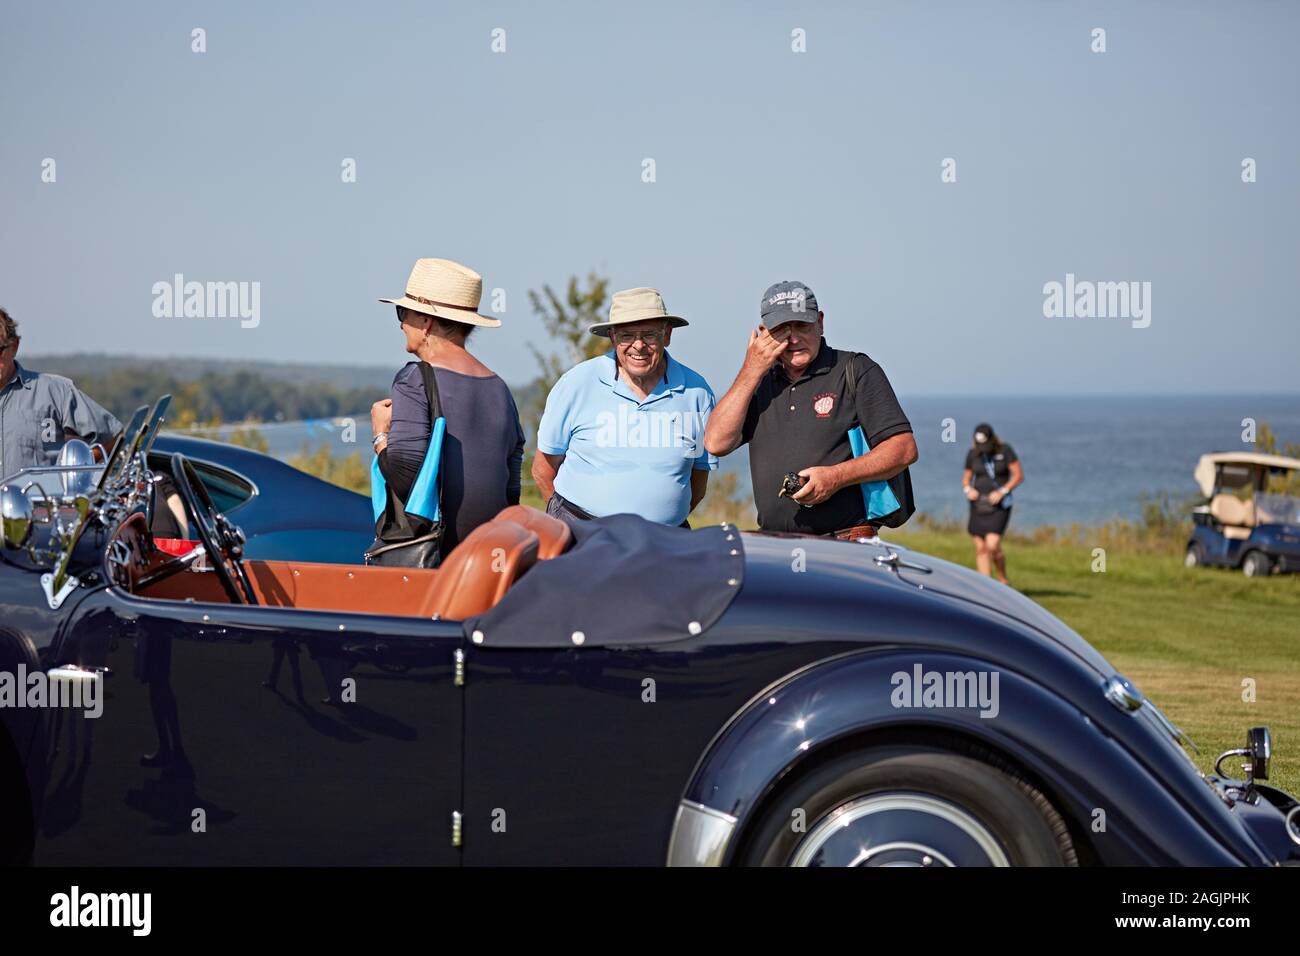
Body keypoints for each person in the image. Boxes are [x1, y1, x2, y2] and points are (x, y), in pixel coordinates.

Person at [704, 280, 917, 538]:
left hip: (845, 542)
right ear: (764, 333)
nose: (793, 338)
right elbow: (716, 442)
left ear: (820, 322)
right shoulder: (757, 383)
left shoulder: (856, 370)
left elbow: (903, 449)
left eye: (802, 325)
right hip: (775, 543)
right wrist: (751, 370)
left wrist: (836, 477)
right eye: (782, 329)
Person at [370, 258, 525, 560]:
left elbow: (405, 475)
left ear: (426, 321)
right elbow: (511, 490)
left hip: (437, 559)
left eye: (403, 313)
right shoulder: (499, 388)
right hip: (487, 558)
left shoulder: (414, 379)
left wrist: (380, 435)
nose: (401, 323)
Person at [532, 287, 717, 528]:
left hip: (665, 540)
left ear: (667, 335)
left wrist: (663, 517)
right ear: (612, 337)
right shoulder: (576, 383)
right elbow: (542, 469)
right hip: (581, 532)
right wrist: (564, 526)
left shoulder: (697, 392)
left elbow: (699, 477)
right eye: (627, 335)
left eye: (649, 334)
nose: (638, 345)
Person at [0, 307, 121, 480]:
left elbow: (113, 437)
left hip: (38, 505)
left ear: (14, 347)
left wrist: (74, 472)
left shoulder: (55, 391)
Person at [962, 422, 1022, 584]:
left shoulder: (1005, 450)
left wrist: (1002, 491)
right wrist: (968, 490)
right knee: (981, 549)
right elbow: (966, 479)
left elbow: (1018, 476)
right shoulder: (973, 454)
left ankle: (1002, 578)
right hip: (978, 505)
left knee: (993, 546)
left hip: (999, 506)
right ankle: (986, 587)